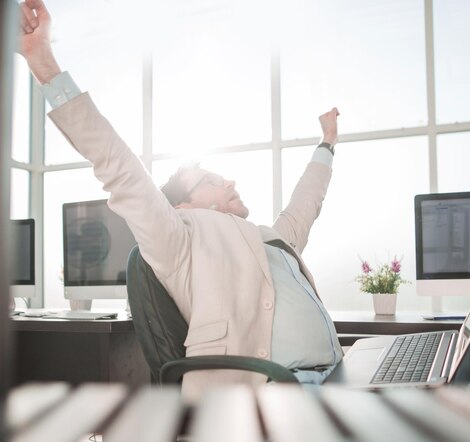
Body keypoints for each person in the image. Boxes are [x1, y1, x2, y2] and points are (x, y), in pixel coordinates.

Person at [17, 0, 343, 401]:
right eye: (210, 180)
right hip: (274, 393)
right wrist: (44, 63)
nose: (229, 180)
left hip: (338, 375)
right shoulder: (180, 240)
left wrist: (327, 142)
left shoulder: (271, 239)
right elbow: (117, 163)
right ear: (183, 207)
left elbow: (305, 202)